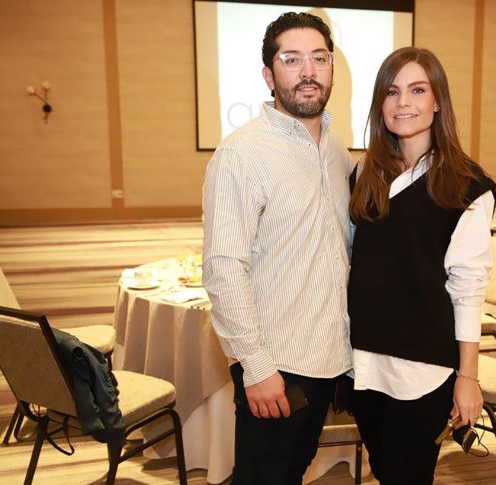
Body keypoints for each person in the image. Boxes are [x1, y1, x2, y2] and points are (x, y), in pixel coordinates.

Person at [201, 12, 353, 485]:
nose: (308, 71)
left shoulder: (337, 151)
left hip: (328, 357)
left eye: (319, 59)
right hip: (277, 364)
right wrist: (257, 366)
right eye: (292, 60)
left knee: (293, 473)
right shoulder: (241, 154)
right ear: (269, 76)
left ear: (332, 69)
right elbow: (223, 269)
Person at [348, 46, 496, 484]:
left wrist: (468, 377)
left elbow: (468, 290)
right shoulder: (364, 174)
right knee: (382, 469)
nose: (403, 103)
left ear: (438, 101)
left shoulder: (467, 186)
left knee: (408, 475)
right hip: (365, 359)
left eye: (417, 90)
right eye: (392, 92)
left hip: (423, 367)